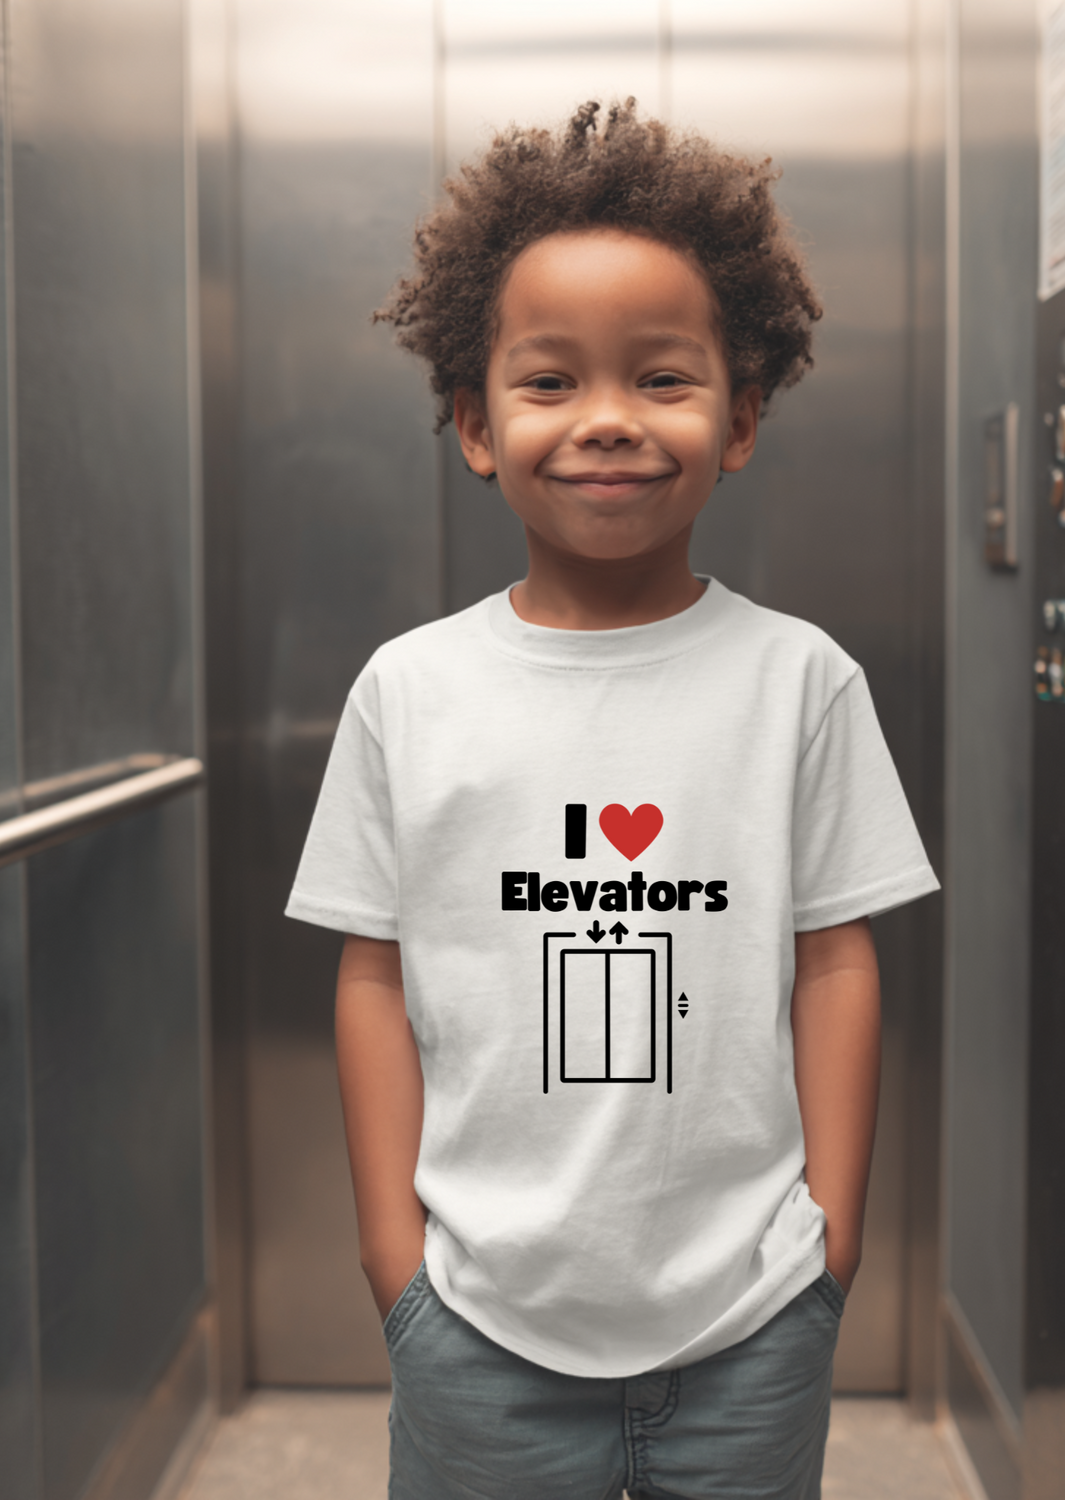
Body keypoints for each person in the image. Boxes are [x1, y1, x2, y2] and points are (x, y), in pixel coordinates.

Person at [286, 99, 939, 1500]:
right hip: (477, 1322)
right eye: (547, 384)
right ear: (473, 423)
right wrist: (394, 1264)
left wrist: (831, 1247)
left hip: (752, 1316)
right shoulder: (411, 690)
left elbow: (835, 959)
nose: (605, 423)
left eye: (660, 379)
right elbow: (370, 975)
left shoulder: (799, 682)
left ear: (742, 418)